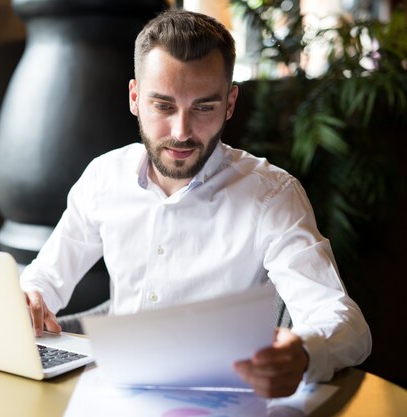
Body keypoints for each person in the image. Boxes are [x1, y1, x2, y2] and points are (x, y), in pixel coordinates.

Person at [19, 9, 372, 398]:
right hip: (113, 394)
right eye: (164, 106)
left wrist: (304, 354)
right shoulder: (104, 178)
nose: (181, 132)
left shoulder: (272, 195)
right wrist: (31, 296)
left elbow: (346, 324)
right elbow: (46, 278)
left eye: (204, 107)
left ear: (230, 102)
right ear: (135, 98)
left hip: (221, 400)